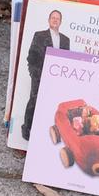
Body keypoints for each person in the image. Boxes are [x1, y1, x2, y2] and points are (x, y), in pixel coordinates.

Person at [21, 10, 70, 140]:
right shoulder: (39, 35)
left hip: (56, 79)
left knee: (52, 104)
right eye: (53, 18)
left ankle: (44, 133)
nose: (55, 20)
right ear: (49, 20)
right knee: (34, 101)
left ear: (61, 22)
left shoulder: (66, 40)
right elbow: (31, 57)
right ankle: (27, 130)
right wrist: (35, 75)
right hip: (39, 76)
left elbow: (66, 61)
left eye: (57, 18)